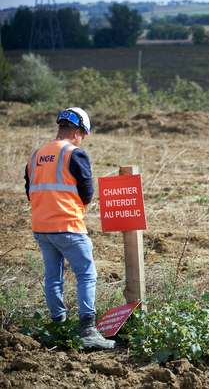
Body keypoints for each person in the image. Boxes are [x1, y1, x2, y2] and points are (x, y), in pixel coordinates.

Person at [24, 107, 115, 350]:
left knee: (53, 277)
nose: (83, 139)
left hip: (41, 228)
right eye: (83, 134)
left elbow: (29, 192)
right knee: (86, 274)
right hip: (68, 226)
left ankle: (57, 327)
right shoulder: (75, 154)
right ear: (77, 131)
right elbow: (87, 193)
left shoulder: (35, 155)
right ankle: (87, 330)